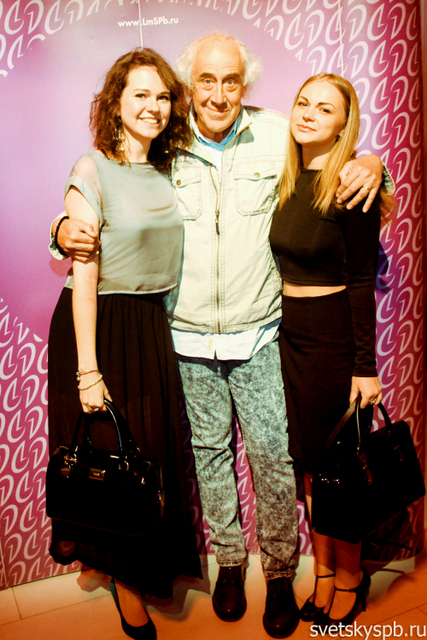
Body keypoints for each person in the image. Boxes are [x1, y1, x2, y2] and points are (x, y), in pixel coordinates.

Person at [50, 34, 387, 638]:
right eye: (206, 80)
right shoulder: (166, 143)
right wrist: (59, 229)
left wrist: (373, 164)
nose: (219, 93)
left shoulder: (277, 134)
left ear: (244, 84)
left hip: (260, 334)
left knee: (274, 457)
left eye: (231, 80)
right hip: (185, 339)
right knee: (209, 455)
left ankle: (279, 572)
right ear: (190, 85)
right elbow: (112, 190)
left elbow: (333, 151)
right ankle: (230, 564)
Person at [48, 49, 201, 640]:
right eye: (140, 94)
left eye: (162, 96)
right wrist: (88, 371)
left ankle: (125, 560)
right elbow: (83, 275)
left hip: (150, 326)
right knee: (108, 452)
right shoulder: (90, 169)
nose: (153, 106)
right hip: (99, 327)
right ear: (115, 103)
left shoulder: (168, 169)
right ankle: (125, 584)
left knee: (142, 457)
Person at [270, 73, 391, 631]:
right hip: (290, 338)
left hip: (333, 342)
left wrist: (366, 367)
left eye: (325, 108)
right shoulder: (289, 179)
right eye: (303, 103)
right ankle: (321, 572)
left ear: (345, 124)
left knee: (340, 470)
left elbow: (362, 280)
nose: (309, 114)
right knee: (311, 467)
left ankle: (350, 577)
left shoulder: (352, 185)